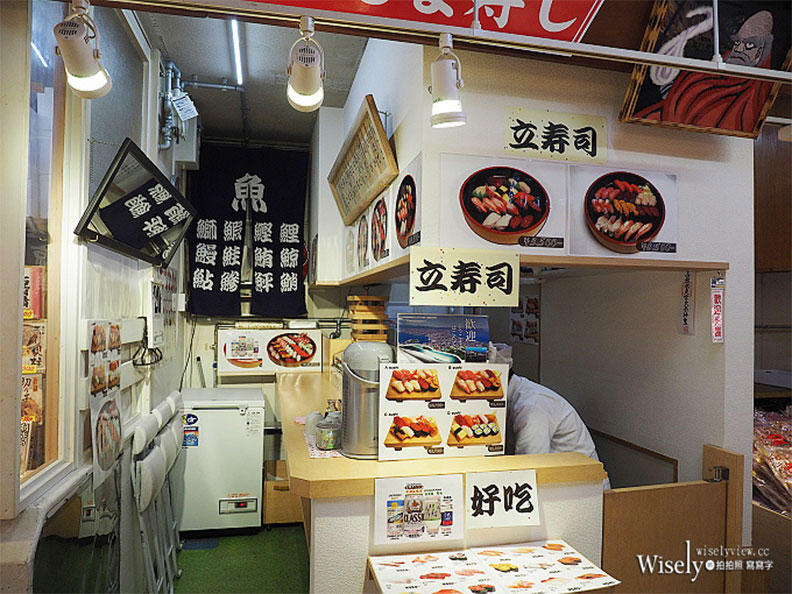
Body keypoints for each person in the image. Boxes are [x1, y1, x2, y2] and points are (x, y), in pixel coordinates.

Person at [489, 343, 610, 488]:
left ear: (497, 381)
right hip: (561, 482)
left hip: (582, 488)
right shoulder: (517, 396)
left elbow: (529, 466)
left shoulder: (532, 406)